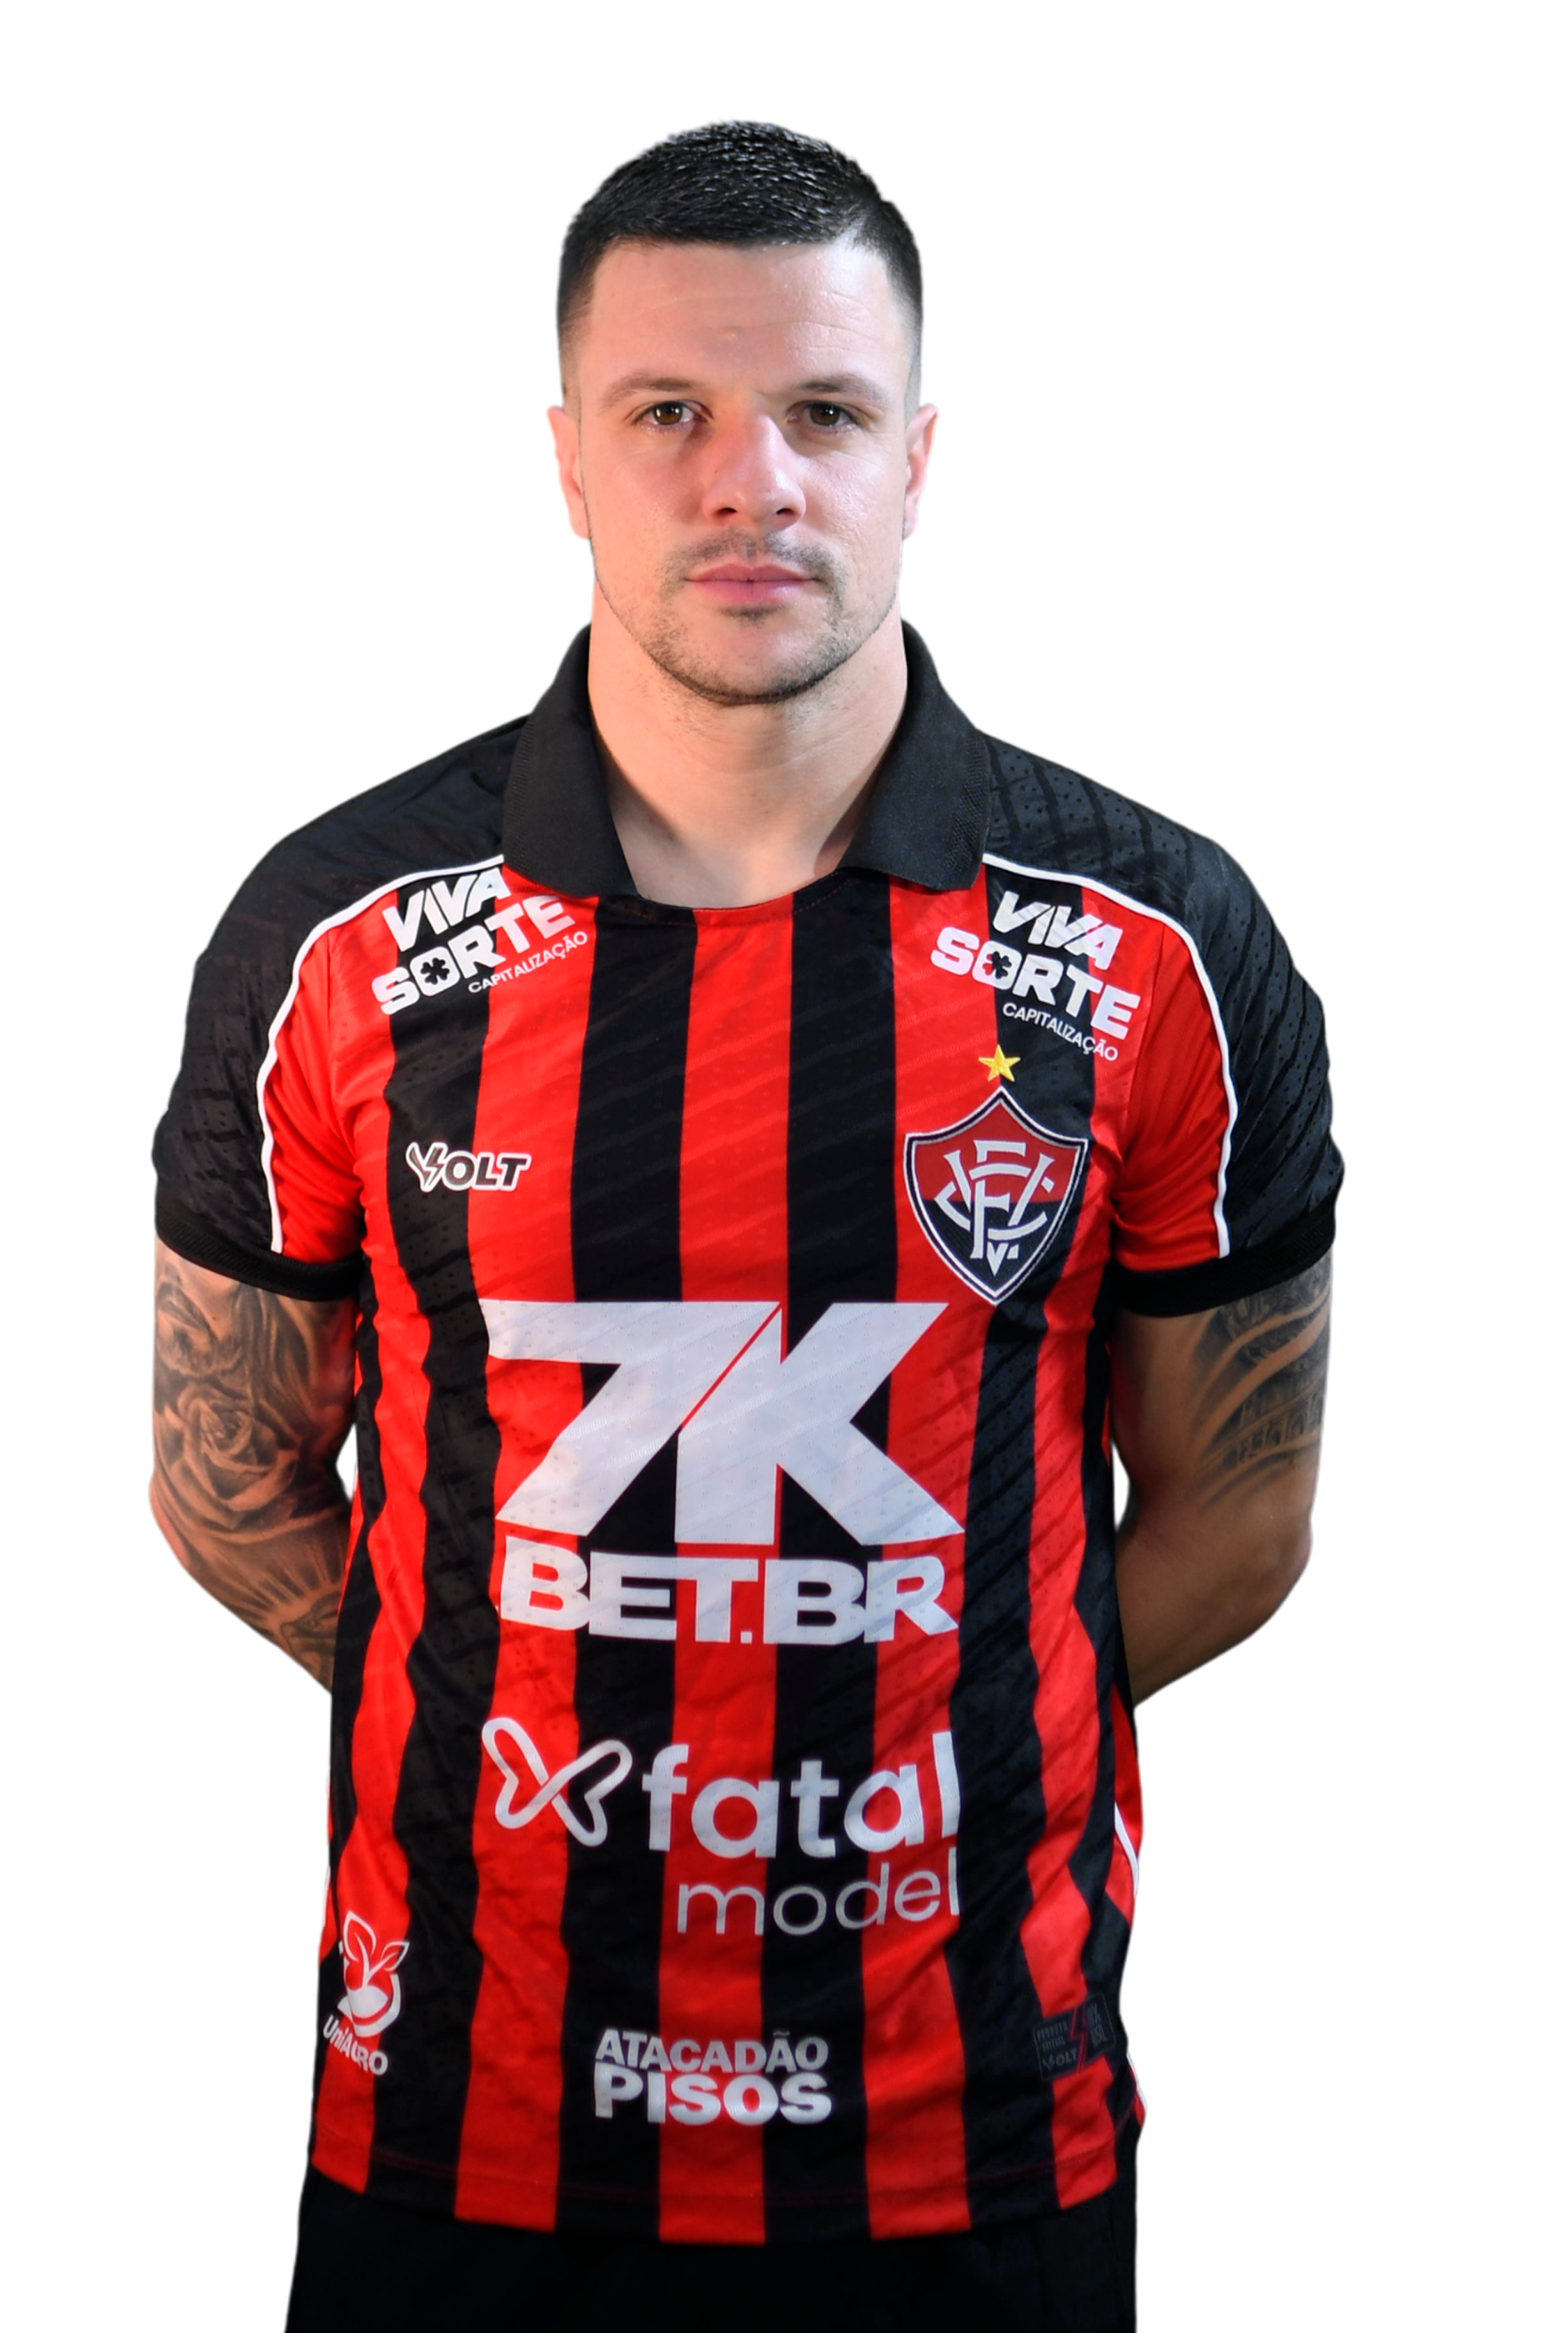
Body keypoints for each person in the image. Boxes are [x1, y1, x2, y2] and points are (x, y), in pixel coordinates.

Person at [150, 120, 1339, 2333]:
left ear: (922, 458)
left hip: (981, 2144)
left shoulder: (1155, 945)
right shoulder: (335, 936)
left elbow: (1239, 1519)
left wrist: (939, 1712)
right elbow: (231, 1486)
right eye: (669, 413)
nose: (750, 483)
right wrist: (517, 1689)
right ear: (565, 458)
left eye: (824, 412)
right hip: (454, 2125)